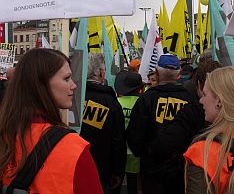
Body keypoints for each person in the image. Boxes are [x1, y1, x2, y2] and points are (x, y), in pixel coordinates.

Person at [0, 48, 103, 193]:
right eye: (66, 78)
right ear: (41, 85)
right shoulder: (73, 147)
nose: (73, 85)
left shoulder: (5, 132)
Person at [126, 53, 196, 194]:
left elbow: (134, 135)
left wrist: (146, 154)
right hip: (181, 170)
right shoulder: (190, 99)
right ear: (179, 74)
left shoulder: (146, 99)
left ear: (157, 73)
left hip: (152, 170)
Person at [80, 53, 126, 193]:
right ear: (101, 73)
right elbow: (117, 141)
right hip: (102, 168)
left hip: (74, 165)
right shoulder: (111, 103)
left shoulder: (72, 98)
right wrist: (118, 171)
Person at [115, 70, 145, 194]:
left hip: (119, 152)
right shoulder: (142, 103)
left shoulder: (117, 103)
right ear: (139, 88)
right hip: (137, 152)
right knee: (134, 186)